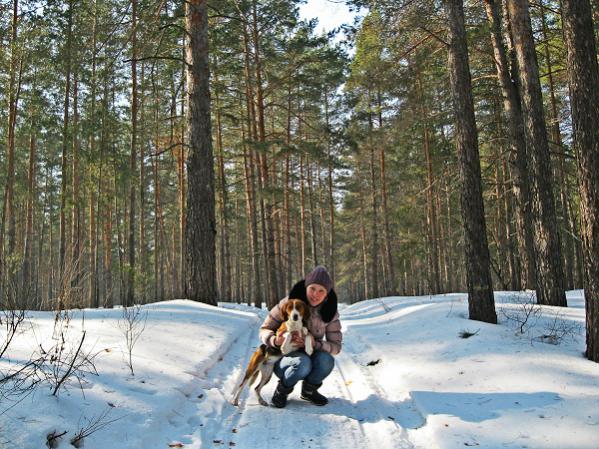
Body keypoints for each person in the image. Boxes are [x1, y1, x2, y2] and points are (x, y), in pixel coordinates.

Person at [259, 266, 343, 408]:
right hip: (285, 357)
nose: (315, 294)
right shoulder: (289, 303)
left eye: (321, 291)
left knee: (327, 360)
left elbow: (336, 347)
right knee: (303, 363)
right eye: (312, 288)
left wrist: (315, 344)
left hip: (311, 353)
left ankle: (309, 391)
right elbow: (264, 329)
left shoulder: (330, 311)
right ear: (306, 287)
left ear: (327, 294)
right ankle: (282, 390)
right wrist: (275, 340)